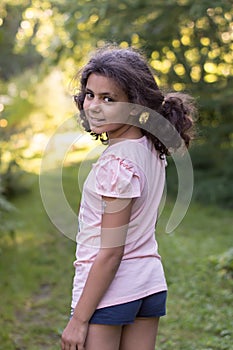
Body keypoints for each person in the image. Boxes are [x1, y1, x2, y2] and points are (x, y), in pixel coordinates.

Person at [61, 44, 196, 350]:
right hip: (148, 285)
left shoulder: (116, 165)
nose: (94, 106)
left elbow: (111, 253)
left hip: (110, 296)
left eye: (109, 99)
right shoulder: (150, 147)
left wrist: (79, 320)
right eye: (90, 95)